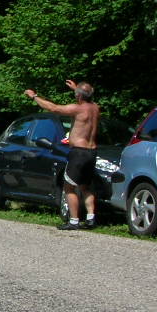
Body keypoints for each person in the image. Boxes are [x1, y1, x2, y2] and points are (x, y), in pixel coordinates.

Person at [24, 79, 101, 230]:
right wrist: (76, 89)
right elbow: (85, 98)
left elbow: (53, 108)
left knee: (69, 187)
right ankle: (91, 218)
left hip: (79, 153)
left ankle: (74, 221)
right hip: (92, 152)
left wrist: (34, 96)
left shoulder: (77, 109)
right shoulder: (95, 108)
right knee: (85, 186)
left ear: (79, 96)